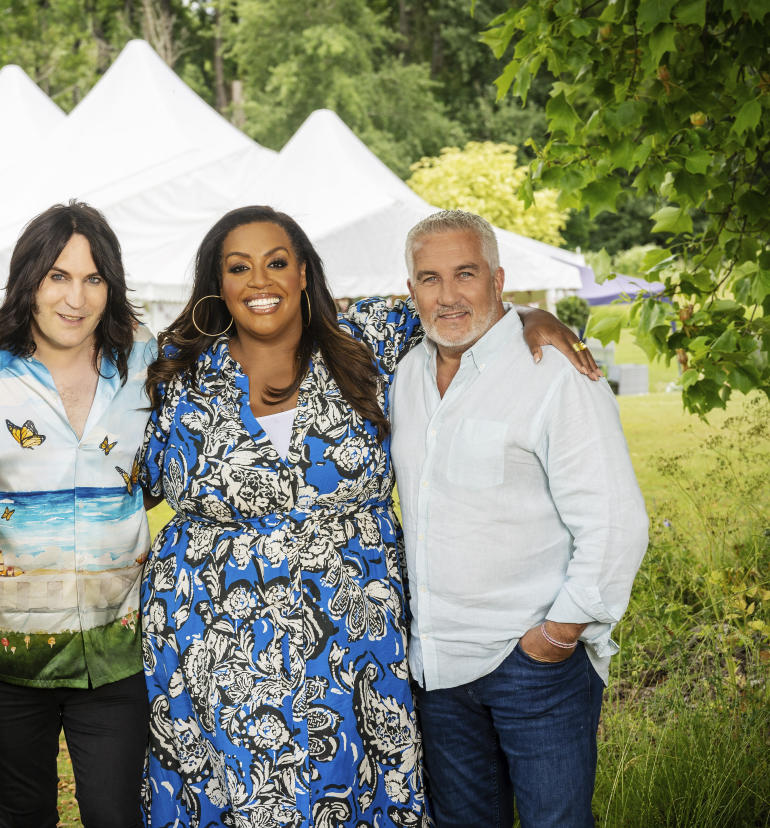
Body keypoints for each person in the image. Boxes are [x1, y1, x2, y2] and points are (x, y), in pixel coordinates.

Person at [136, 205, 592, 828]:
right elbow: (135, 483)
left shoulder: (366, 339)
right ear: (218, 285)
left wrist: (534, 317)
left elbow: (461, 304)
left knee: (349, 794)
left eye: (276, 263)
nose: (260, 281)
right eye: (239, 268)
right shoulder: (181, 370)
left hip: (353, 641)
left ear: (303, 273)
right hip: (213, 640)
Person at [389, 210, 648, 827]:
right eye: (429, 279)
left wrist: (555, 639)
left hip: (533, 665)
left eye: (466, 274)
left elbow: (616, 522)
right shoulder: (402, 375)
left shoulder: (555, 373)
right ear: (411, 292)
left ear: (499, 280)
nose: (448, 296)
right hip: (437, 668)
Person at [0, 201, 154, 827]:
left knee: (116, 814)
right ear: (27, 279)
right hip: (9, 656)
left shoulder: (144, 362)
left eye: (92, 278)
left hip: (118, 650)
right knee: (24, 813)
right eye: (58, 276)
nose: (75, 298)